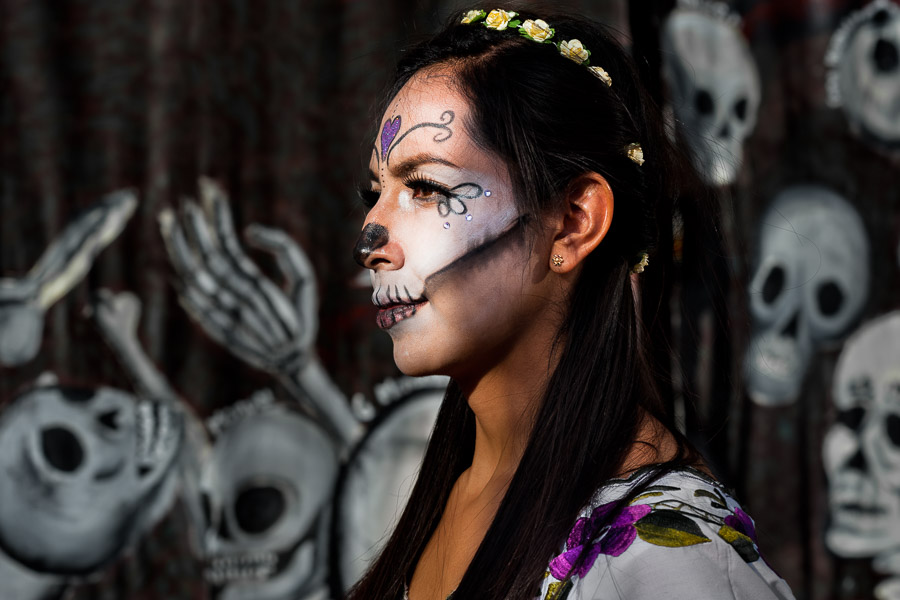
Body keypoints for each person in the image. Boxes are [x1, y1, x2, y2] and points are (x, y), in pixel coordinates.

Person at [350, 7, 794, 600]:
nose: (370, 239)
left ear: (572, 223)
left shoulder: (661, 562)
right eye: (375, 193)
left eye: (425, 188)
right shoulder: (458, 488)